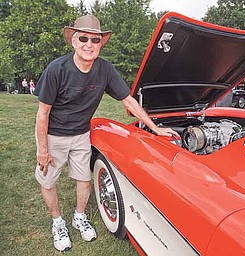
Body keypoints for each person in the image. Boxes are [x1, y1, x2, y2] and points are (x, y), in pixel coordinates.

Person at [33, 15, 178, 252]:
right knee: (48, 181)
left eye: (95, 39)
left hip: (81, 134)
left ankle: (79, 217)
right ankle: (57, 222)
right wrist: (43, 149)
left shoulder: (105, 69)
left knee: (85, 181)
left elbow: (129, 101)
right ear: (74, 42)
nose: (89, 44)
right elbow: (42, 113)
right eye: (84, 38)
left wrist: (155, 128)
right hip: (53, 134)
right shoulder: (56, 69)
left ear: (101, 43)